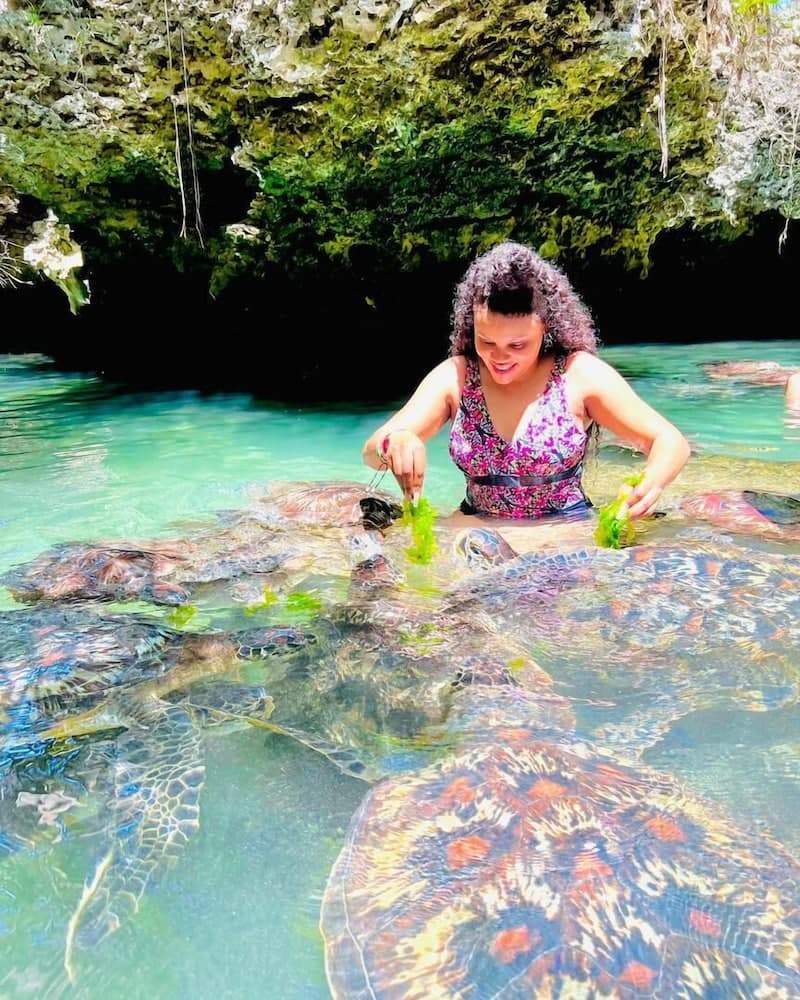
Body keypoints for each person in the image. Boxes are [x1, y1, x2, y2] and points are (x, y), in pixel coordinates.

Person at [363, 242, 690, 520]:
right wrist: (396, 442)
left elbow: (669, 441)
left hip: (565, 537)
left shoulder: (579, 375)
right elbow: (371, 453)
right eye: (486, 341)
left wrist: (651, 484)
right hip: (477, 537)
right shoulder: (457, 377)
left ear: (546, 327)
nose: (499, 357)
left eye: (517, 345)